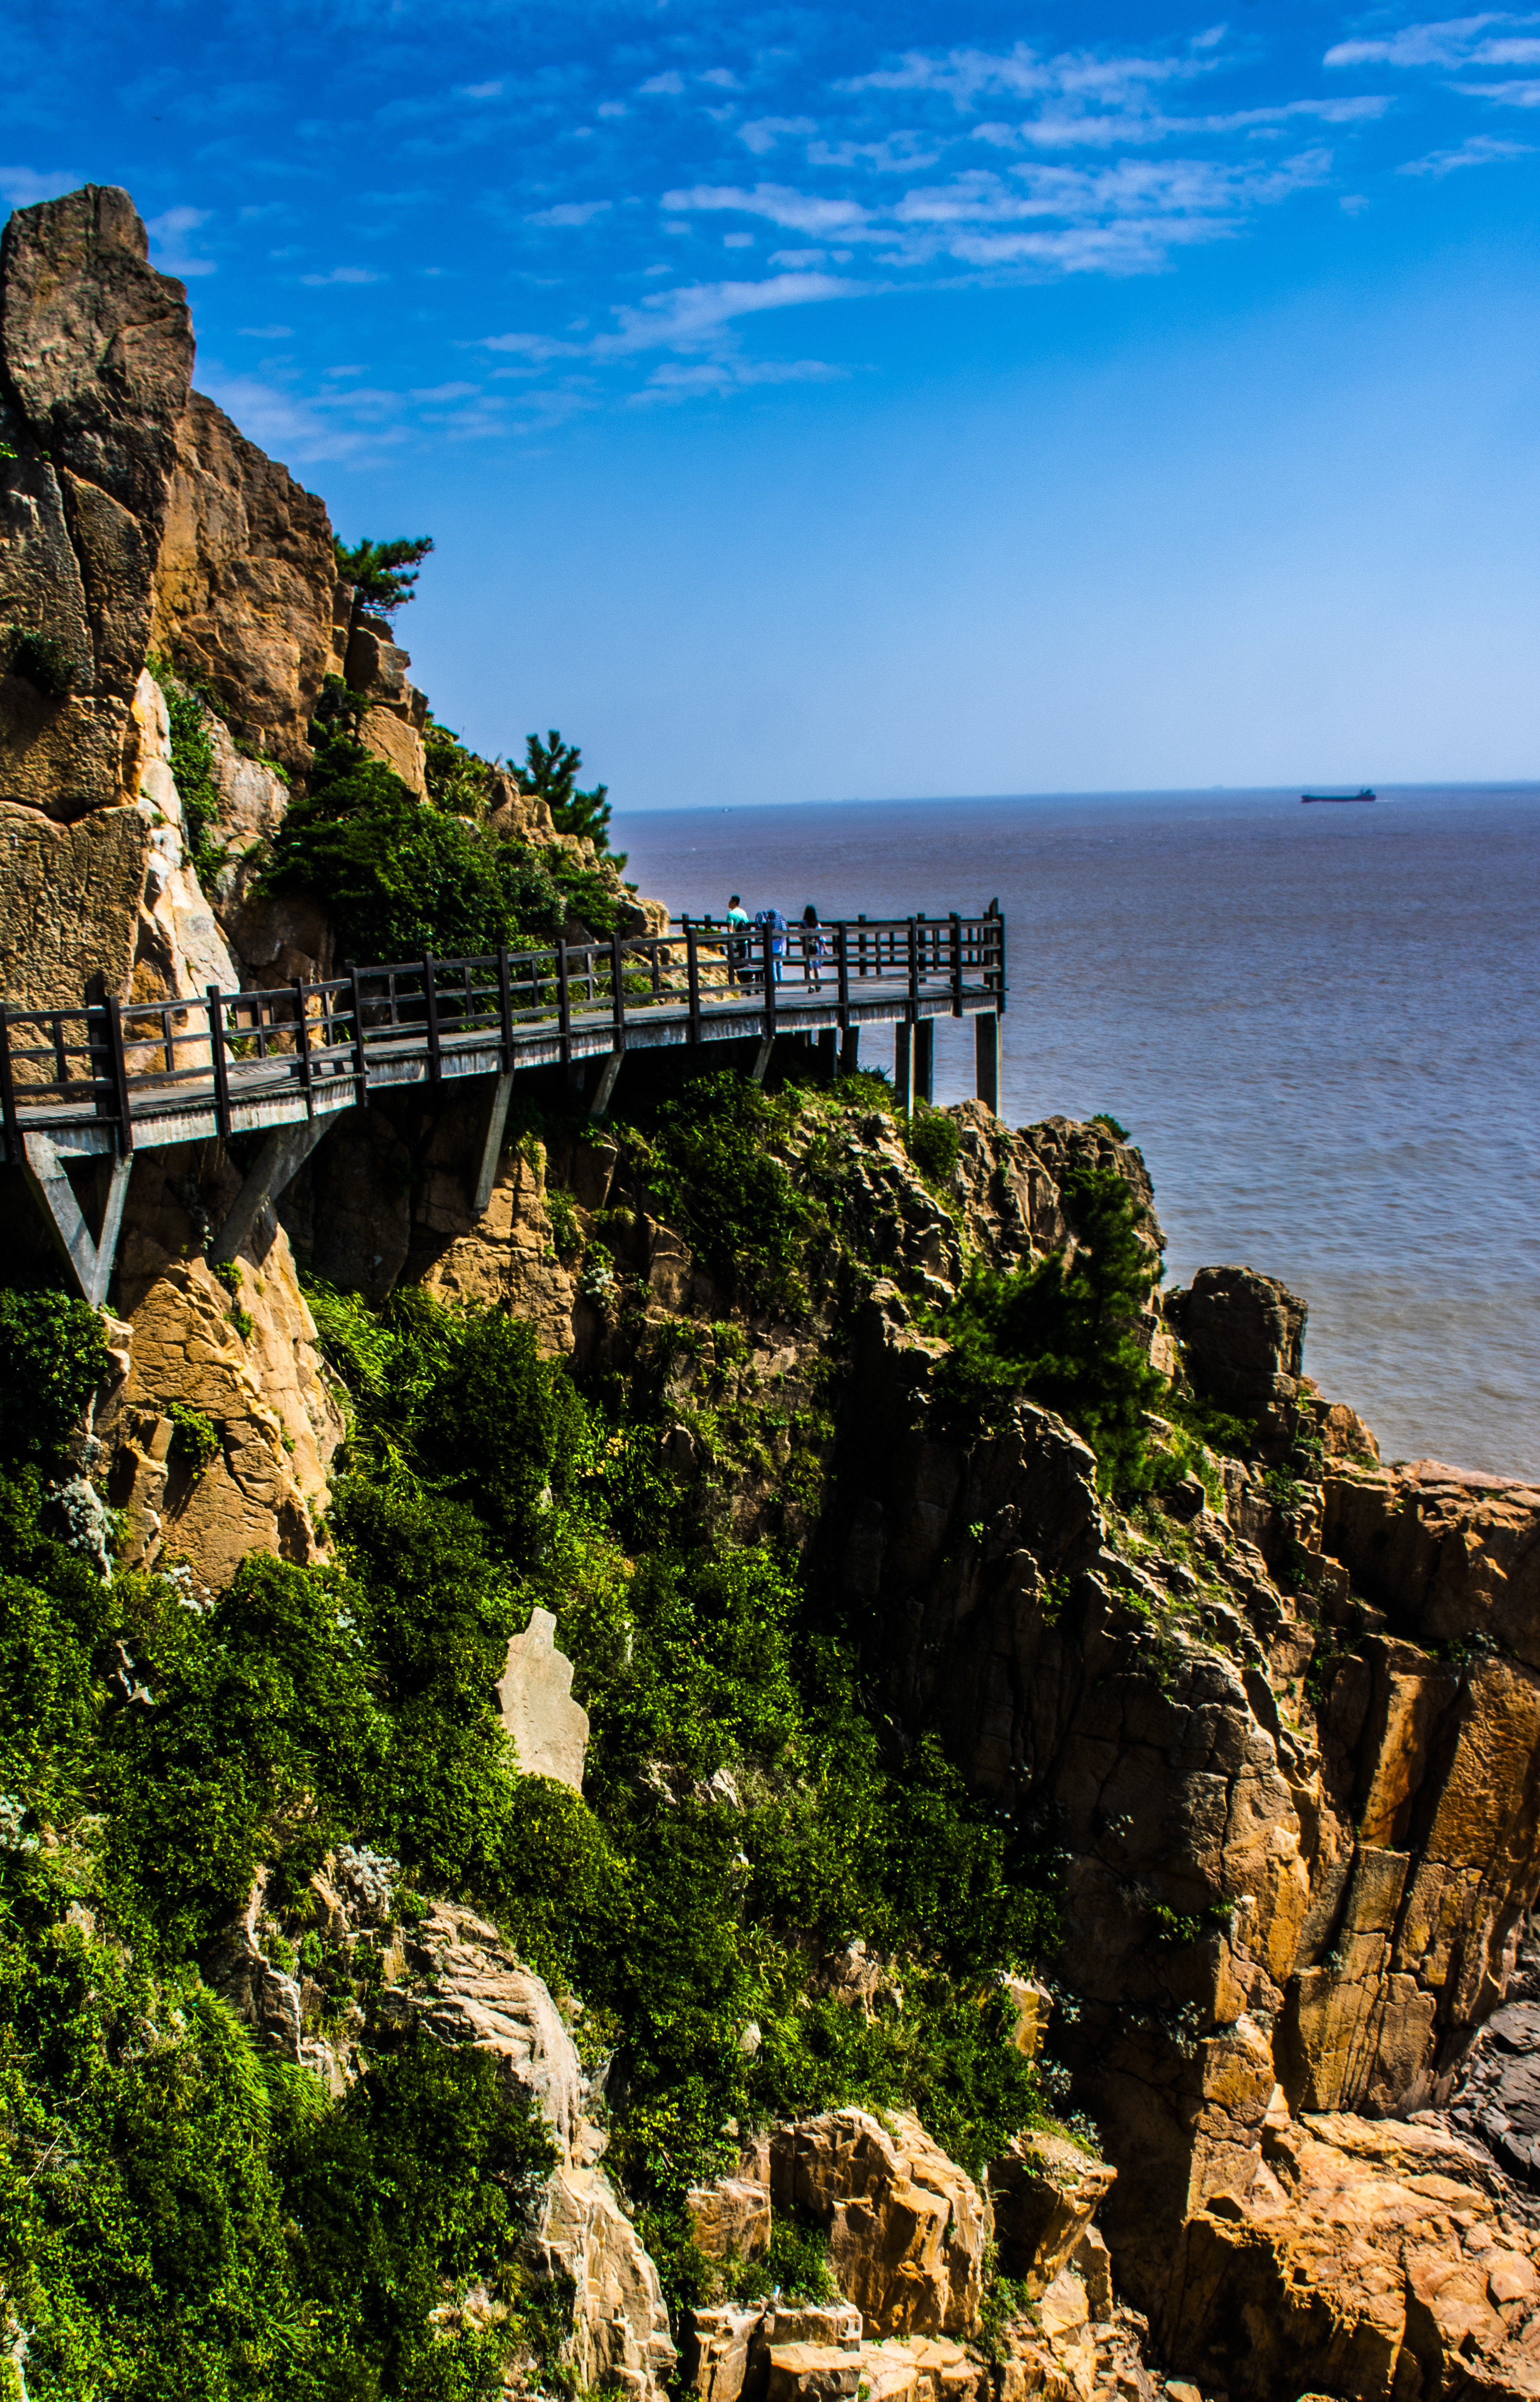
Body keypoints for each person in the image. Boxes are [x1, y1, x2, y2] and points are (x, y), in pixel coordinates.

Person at [801, 903, 827, 990]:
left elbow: (801, 937)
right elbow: (821, 938)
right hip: (817, 947)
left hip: (807, 947)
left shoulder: (802, 924)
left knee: (810, 967)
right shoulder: (817, 924)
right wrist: (825, 949)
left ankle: (811, 985)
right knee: (817, 966)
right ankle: (818, 984)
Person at [726, 893, 749, 984]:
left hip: (736, 943)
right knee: (743, 964)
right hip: (744, 942)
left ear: (734, 902)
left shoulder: (731, 914)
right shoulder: (743, 913)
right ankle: (745, 983)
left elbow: (730, 929)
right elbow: (746, 926)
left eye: (730, 901)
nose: (729, 903)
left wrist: (730, 942)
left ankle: (735, 984)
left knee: (734, 965)